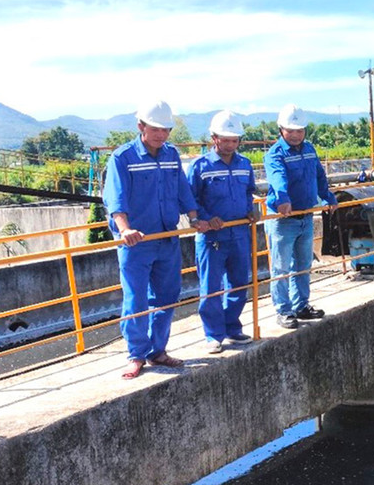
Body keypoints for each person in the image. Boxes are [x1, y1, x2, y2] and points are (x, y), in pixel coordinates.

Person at [103, 100, 209, 379]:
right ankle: (136, 354)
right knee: (135, 298)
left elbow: (182, 190)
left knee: (166, 296)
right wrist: (124, 229)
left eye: (166, 130)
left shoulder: (171, 155)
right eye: (156, 129)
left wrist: (194, 217)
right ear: (141, 127)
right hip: (135, 242)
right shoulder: (122, 157)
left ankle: (157, 351)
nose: (162, 135)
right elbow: (116, 198)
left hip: (167, 237)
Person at [188, 110, 258, 353]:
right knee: (211, 287)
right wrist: (206, 219)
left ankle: (232, 327)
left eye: (234, 140)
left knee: (239, 283)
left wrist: (250, 211)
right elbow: (190, 200)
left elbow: (249, 191)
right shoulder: (200, 166)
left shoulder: (244, 165)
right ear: (213, 138)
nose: (230, 144)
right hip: (211, 237)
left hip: (238, 232)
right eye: (225, 139)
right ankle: (213, 334)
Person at [264, 104, 338, 329]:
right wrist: (283, 198)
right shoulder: (275, 154)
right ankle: (284, 310)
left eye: (299, 130)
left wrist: (327, 196)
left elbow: (318, 175)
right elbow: (278, 178)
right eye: (291, 130)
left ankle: (301, 306)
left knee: (303, 264)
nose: (295, 135)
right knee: (281, 268)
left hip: (306, 216)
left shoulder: (309, 149)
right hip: (283, 220)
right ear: (281, 130)